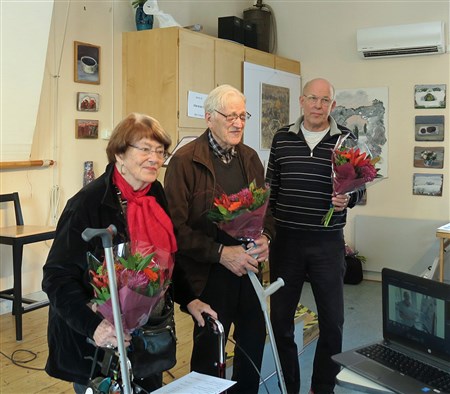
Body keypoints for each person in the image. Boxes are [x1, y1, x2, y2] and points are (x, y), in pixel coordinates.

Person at [42, 113, 195, 394]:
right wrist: (94, 326)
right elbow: (56, 277)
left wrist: (191, 299)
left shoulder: (155, 193)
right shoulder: (87, 204)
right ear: (120, 154)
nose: (155, 158)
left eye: (160, 151)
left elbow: (168, 257)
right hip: (97, 343)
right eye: (145, 149)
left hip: (148, 336)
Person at [164, 84, 274, 394]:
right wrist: (220, 252)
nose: (238, 123)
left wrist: (266, 235)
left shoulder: (250, 158)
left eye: (242, 115)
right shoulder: (185, 161)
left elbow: (266, 212)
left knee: (253, 342)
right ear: (209, 117)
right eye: (230, 116)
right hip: (209, 274)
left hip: (249, 271)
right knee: (210, 354)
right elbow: (175, 229)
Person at [266, 78, 365, 394]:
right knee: (280, 322)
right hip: (286, 243)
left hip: (327, 244)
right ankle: (289, 386)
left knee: (332, 323)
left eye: (325, 100)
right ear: (301, 101)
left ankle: (322, 387)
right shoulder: (282, 138)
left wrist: (348, 196)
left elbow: (360, 188)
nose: (318, 106)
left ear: (333, 106)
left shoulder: (347, 140)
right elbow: (271, 190)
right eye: (312, 98)